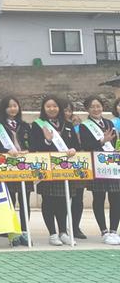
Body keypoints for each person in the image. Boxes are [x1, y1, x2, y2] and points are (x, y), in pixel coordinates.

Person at [28, 95, 79, 246]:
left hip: (66, 168)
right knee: (49, 200)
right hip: (48, 168)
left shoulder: (67, 124)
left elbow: (76, 144)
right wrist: (47, 141)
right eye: (48, 106)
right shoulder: (38, 125)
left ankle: (63, 232)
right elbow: (33, 146)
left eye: (55, 106)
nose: (52, 109)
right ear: (43, 108)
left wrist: (73, 149)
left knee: (64, 200)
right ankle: (52, 233)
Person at [0, 95, 32, 246]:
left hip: (24, 166)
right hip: (7, 166)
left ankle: (25, 231)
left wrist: (28, 150)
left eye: (15, 105)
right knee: (10, 200)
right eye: (9, 106)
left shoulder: (25, 125)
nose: (13, 109)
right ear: (4, 108)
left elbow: (31, 143)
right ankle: (12, 232)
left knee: (25, 200)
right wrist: (6, 151)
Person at [78, 96, 120, 245]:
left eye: (98, 106)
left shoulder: (109, 123)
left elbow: (115, 142)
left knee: (116, 198)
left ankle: (114, 231)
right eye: (92, 107)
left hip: (112, 165)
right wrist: (102, 141)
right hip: (97, 166)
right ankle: (104, 231)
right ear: (87, 109)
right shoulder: (84, 126)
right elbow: (86, 146)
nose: (96, 109)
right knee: (99, 198)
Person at [63, 101, 88, 240]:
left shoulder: (78, 125)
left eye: (69, 110)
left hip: (77, 164)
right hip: (61, 165)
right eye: (64, 110)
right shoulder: (53, 125)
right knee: (63, 199)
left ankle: (75, 227)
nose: (67, 113)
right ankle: (62, 228)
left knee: (78, 198)